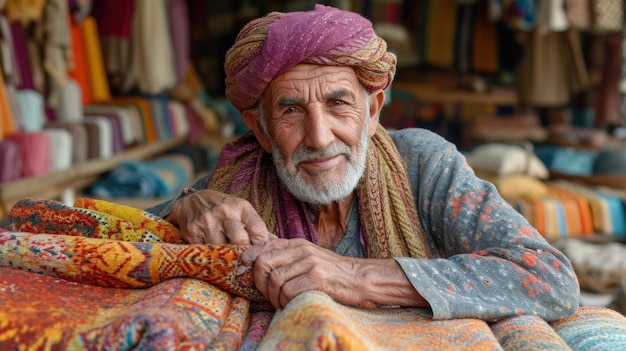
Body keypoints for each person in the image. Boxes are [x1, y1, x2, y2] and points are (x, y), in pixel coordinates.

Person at [148, 4, 579, 321]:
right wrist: (183, 206)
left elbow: (550, 278)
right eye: (291, 111)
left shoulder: (422, 163)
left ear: (373, 111)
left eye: (339, 104)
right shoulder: (236, 183)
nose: (319, 137)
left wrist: (354, 277)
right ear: (259, 130)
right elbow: (101, 240)